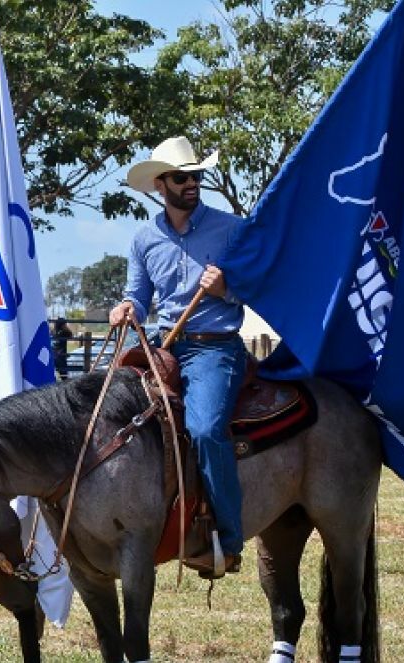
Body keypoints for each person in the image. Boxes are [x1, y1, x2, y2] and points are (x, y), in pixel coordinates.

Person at [109, 136, 247, 578]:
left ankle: (227, 541)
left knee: (205, 430)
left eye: (195, 176)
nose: (192, 183)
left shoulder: (231, 229)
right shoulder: (145, 239)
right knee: (109, 414)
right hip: (163, 346)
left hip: (215, 347)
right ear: (160, 184)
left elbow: (258, 285)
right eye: (181, 177)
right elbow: (137, 296)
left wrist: (226, 289)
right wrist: (126, 308)